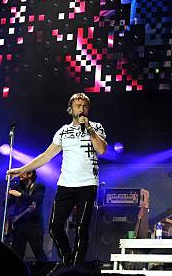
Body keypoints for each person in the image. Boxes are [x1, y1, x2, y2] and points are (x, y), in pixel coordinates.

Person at [7, 93, 107, 272]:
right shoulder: (63, 131)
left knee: (81, 228)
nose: (81, 109)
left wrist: (90, 130)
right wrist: (21, 170)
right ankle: (70, 263)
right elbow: (46, 156)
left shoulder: (96, 127)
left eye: (84, 106)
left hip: (87, 183)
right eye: (78, 106)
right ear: (71, 109)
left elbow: (102, 150)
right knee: (54, 227)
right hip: (66, 185)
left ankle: (75, 267)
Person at [7, 169, 48, 262]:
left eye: (23, 172)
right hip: (18, 225)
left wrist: (20, 195)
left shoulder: (39, 187)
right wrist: (8, 195)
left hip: (34, 226)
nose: (20, 174)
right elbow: (6, 204)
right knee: (17, 255)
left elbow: (37, 199)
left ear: (30, 174)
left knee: (39, 252)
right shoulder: (17, 187)